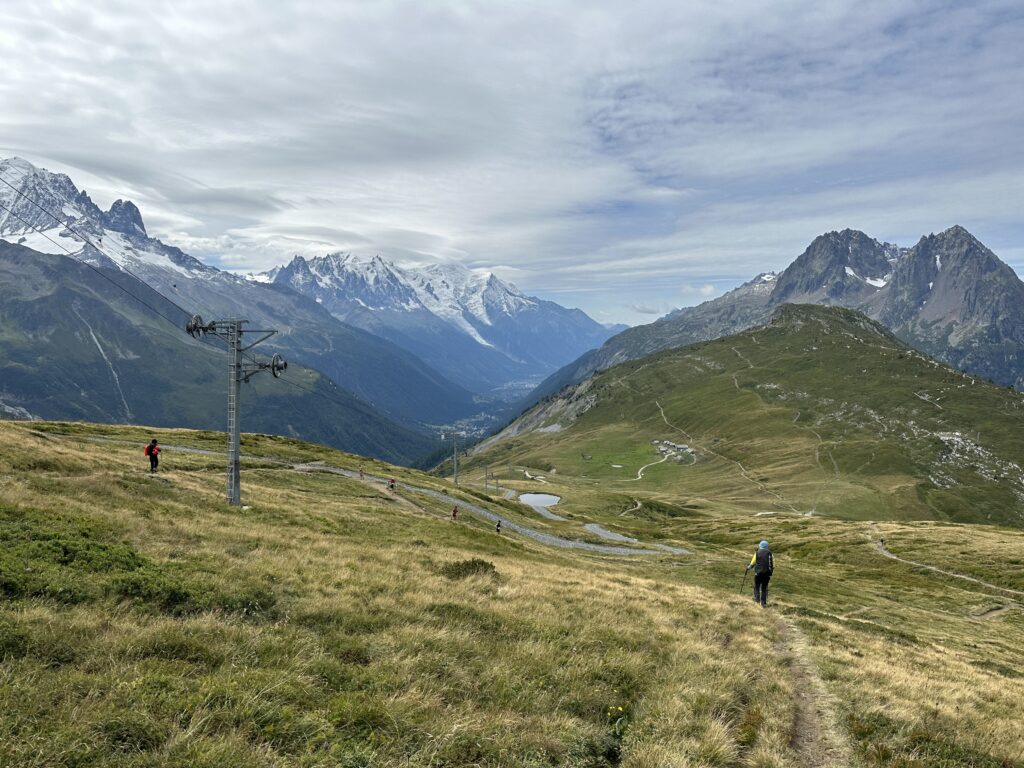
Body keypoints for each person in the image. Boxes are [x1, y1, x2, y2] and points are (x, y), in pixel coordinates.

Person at [746, 540, 774, 607]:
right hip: (767, 574)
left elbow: (752, 564)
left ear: (760, 545)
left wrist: (748, 567)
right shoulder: (770, 554)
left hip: (758, 573)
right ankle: (763, 603)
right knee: (764, 588)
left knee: (756, 586)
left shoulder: (757, 553)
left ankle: (757, 600)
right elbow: (774, 565)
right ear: (767, 546)